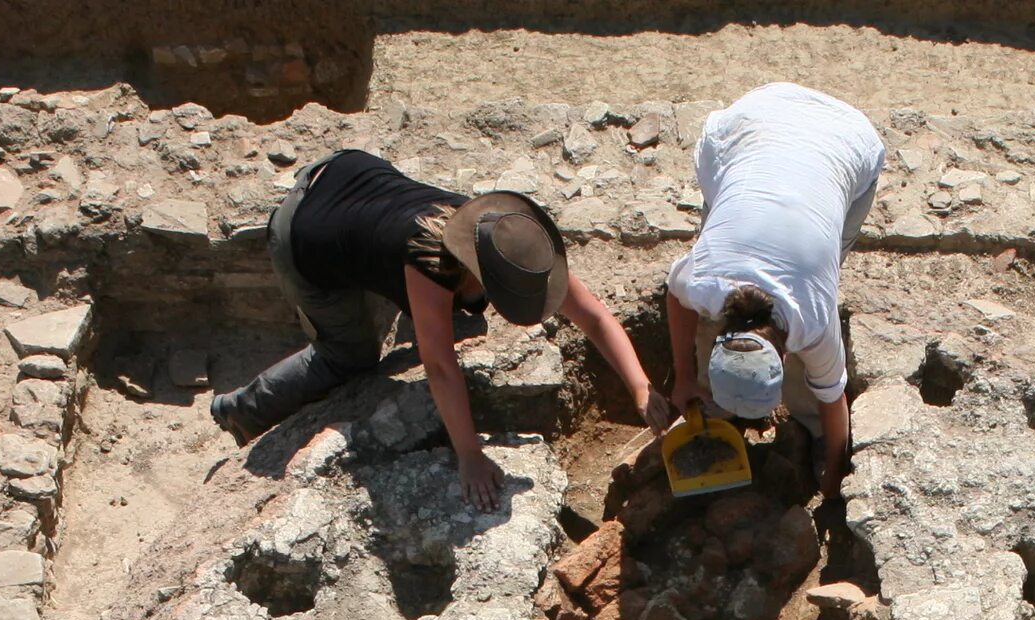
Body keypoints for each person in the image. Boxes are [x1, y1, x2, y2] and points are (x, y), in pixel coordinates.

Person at [209, 148, 663, 508]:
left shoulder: (499, 235)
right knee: (350, 357)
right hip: (303, 231)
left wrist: (641, 387)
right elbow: (440, 367)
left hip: (346, 173)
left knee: (454, 313)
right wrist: (469, 455)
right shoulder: (429, 265)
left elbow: (596, 316)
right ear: (476, 272)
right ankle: (241, 410)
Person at [661, 83, 887, 502]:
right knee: (725, 211)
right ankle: (719, 401)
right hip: (750, 129)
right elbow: (676, 299)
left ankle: (803, 423)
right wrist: (686, 378)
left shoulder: (814, 320)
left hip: (847, 141)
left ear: (785, 355)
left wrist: (834, 476)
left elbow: (834, 399)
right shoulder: (705, 280)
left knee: (817, 375)